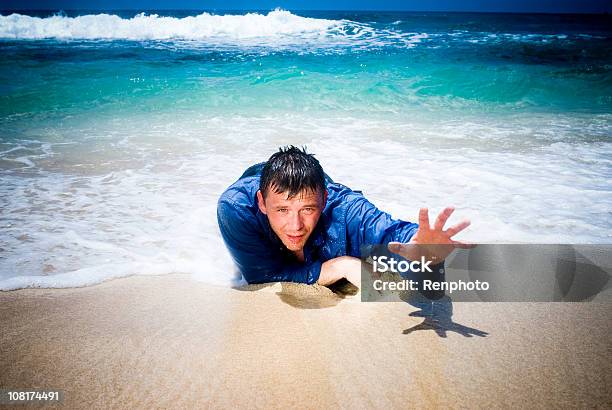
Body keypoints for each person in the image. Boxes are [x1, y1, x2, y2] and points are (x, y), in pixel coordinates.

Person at [217, 146, 471, 288]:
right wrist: (341, 265)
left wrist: (421, 250)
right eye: (282, 211)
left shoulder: (346, 209)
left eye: (307, 209)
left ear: (324, 200)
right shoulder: (237, 209)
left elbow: (391, 234)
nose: (295, 225)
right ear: (262, 203)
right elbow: (263, 276)